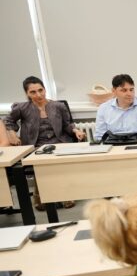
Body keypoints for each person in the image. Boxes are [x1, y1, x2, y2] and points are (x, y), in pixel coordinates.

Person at [4, 76, 86, 210]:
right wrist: (12, 134)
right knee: (41, 162)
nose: (38, 95)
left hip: (58, 142)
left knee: (58, 160)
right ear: (27, 93)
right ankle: (41, 198)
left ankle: (66, 195)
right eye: (33, 92)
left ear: (45, 89)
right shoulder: (21, 108)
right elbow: (8, 121)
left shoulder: (58, 106)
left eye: (40, 90)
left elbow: (67, 125)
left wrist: (76, 130)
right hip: (35, 146)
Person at [94, 74, 137, 142]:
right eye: (124, 90)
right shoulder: (103, 109)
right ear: (114, 91)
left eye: (131, 90)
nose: (129, 94)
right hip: (113, 146)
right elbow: (100, 136)